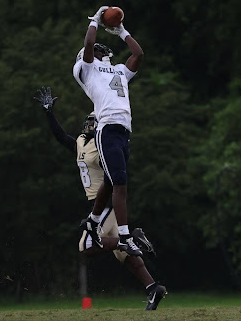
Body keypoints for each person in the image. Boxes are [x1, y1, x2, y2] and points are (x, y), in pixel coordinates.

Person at [33, 86, 167, 310]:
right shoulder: (81, 143)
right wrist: (49, 113)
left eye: (94, 122)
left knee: (86, 245)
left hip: (103, 203)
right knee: (123, 254)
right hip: (98, 204)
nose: (89, 125)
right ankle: (153, 288)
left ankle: (132, 237)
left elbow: (114, 174)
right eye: (89, 121)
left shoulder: (105, 143)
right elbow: (61, 137)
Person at [73, 5, 144, 258]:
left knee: (112, 181)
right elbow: (90, 45)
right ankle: (125, 237)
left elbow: (137, 54)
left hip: (124, 130)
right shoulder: (88, 68)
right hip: (107, 129)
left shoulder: (116, 71)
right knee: (120, 184)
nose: (103, 49)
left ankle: (92, 222)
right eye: (99, 48)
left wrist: (122, 31)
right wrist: (95, 18)